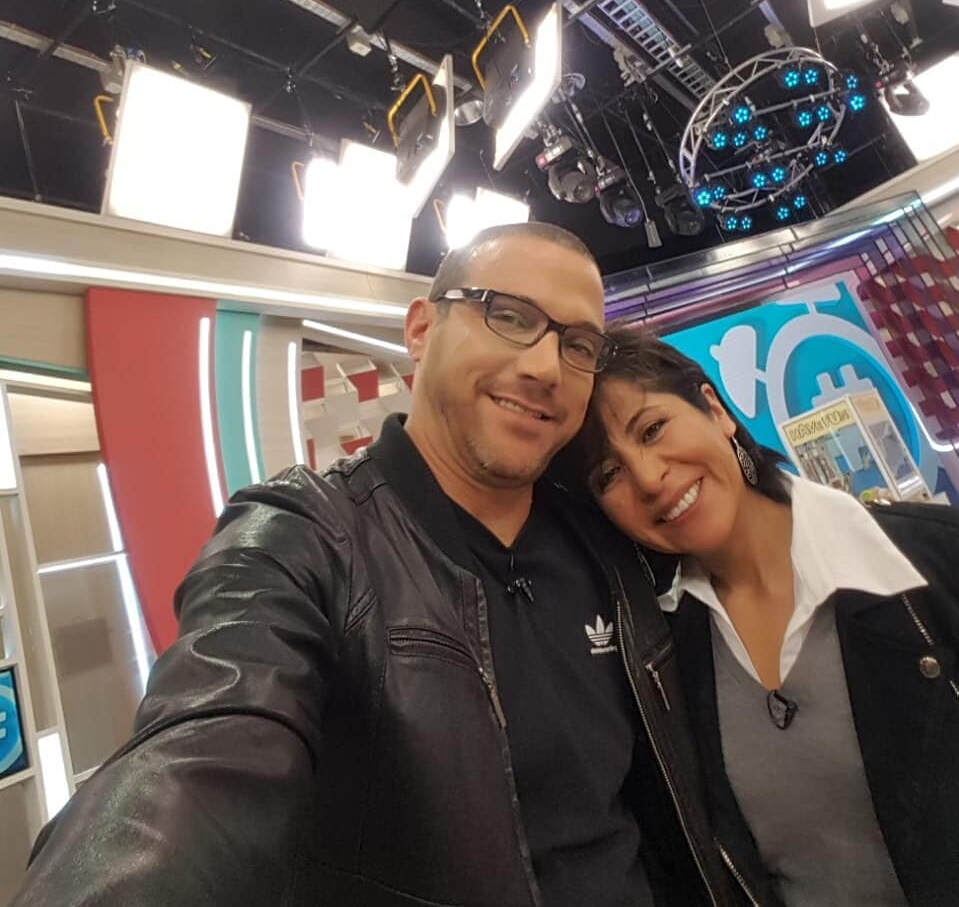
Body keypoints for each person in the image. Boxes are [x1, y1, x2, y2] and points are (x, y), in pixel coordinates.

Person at [12, 223, 737, 907]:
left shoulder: (604, 533)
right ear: (420, 329)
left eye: (577, 344)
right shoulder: (304, 538)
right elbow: (201, 753)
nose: (545, 366)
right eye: (509, 315)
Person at [571, 328, 959, 907]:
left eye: (652, 430)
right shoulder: (663, 661)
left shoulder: (932, 559)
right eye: (609, 475)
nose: (648, 478)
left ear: (714, 409)